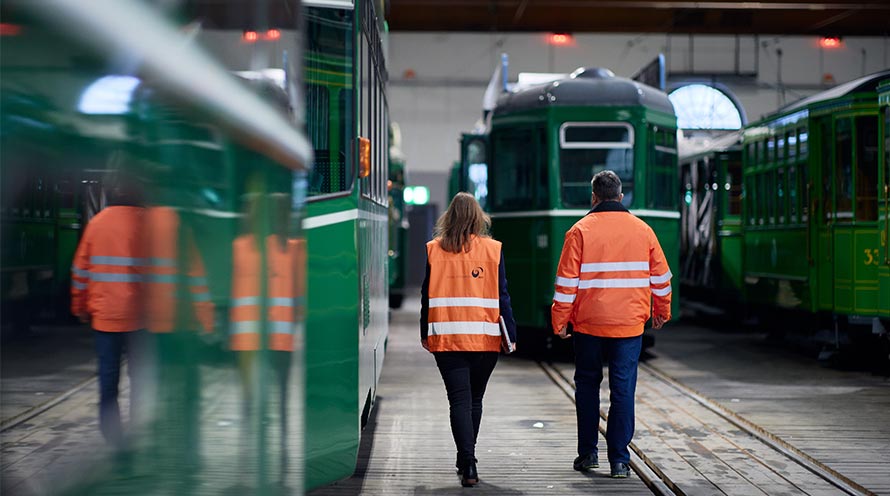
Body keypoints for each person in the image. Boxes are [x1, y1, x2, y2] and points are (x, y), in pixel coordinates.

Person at [551, 170, 672, 479]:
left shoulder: (578, 231)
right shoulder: (643, 230)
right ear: (621, 196)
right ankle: (619, 460)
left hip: (589, 323)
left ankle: (588, 454)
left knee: (588, 385)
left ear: (594, 197)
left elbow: (566, 284)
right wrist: (661, 311)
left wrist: (560, 320)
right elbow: (661, 279)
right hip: (629, 325)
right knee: (622, 389)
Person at [420, 192, 517, 487]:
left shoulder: (433, 250)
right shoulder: (493, 250)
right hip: (484, 340)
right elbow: (503, 297)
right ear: (478, 217)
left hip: (447, 338)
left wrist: (425, 332)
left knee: (458, 400)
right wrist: (510, 333)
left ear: (448, 217)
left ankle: (468, 461)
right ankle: (468, 459)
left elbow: (427, 296)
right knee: (475, 399)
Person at [70, 171, 147, 447]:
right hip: (139, 319)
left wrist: (79, 307)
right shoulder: (145, 224)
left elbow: (80, 271)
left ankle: (114, 441)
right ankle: (139, 434)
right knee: (140, 379)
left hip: (105, 318)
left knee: (108, 381)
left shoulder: (96, 224)